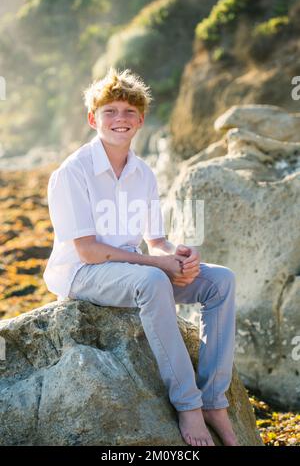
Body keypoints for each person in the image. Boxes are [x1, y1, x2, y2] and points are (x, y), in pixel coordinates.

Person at [43, 67, 238, 447]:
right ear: (92, 119)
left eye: (129, 112)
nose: (120, 119)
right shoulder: (72, 173)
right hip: (83, 273)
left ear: (141, 120)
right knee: (151, 282)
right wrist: (157, 265)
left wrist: (177, 254)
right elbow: (88, 249)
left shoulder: (143, 173)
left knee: (221, 280)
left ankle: (215, 401)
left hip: (131, 270)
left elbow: (156, 239)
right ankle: (188, 405)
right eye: (110, 111)